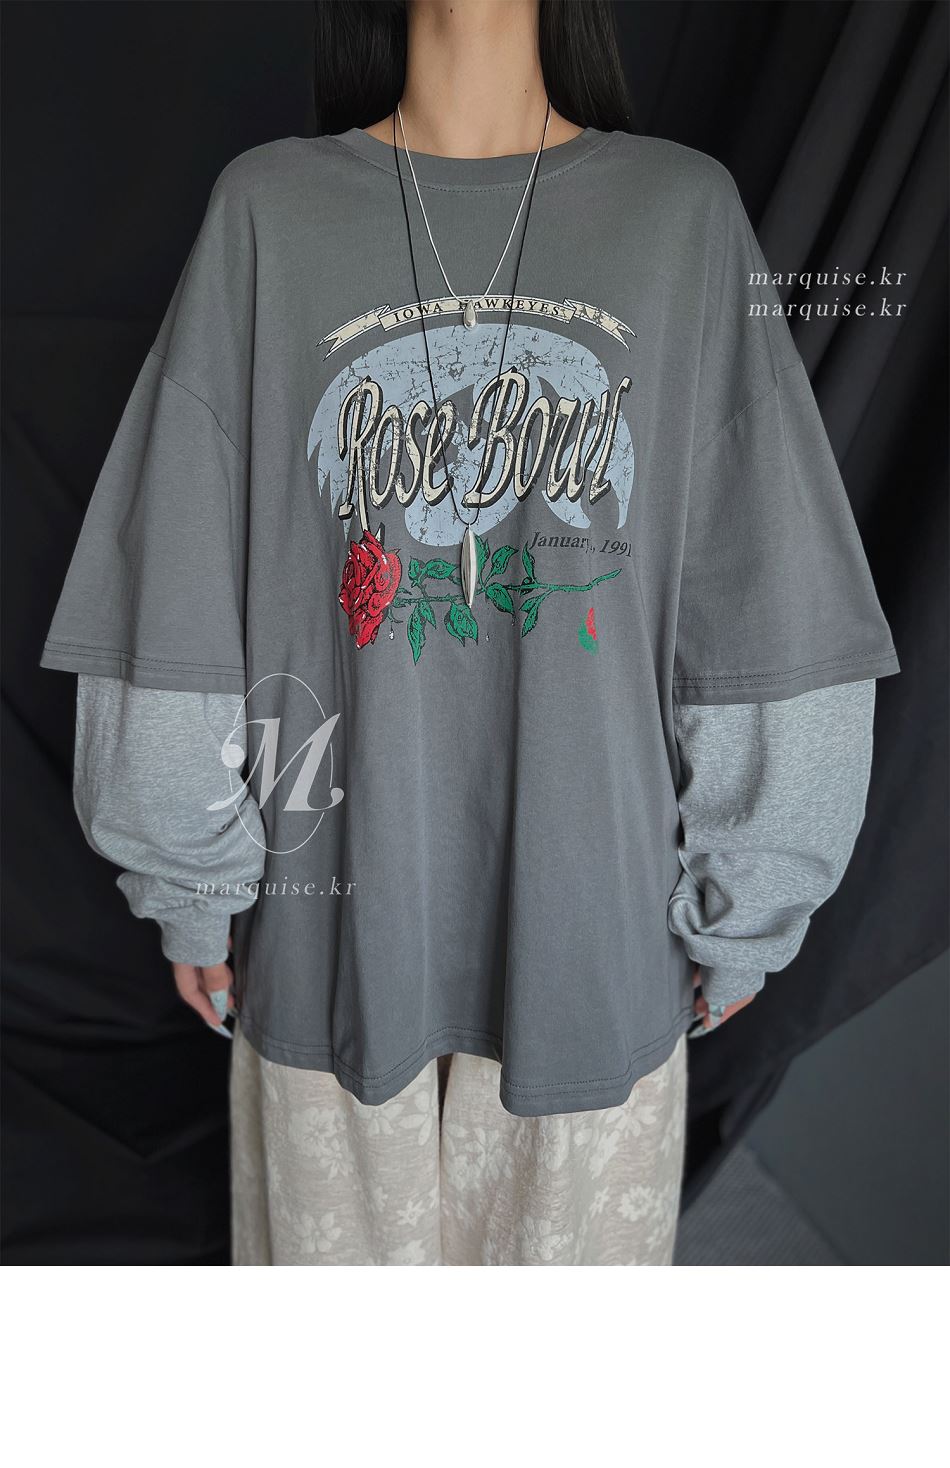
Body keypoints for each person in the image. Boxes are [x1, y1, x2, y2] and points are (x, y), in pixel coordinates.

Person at [40, 0, 900, 1265]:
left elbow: (765, 593)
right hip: (332, 926)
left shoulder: (678, 216)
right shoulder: (268, 213)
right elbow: (172, 574)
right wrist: (188, 883)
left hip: (590, 932)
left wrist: (753, 892)